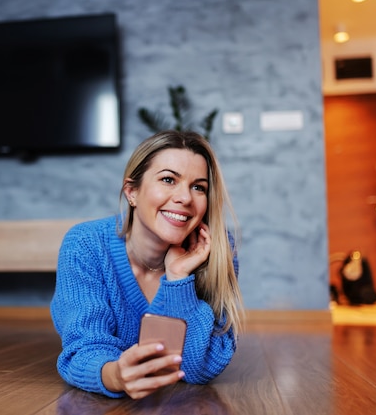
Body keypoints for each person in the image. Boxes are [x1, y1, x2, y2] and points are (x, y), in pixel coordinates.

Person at [50, 130, 243, 399]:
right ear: (132, 192)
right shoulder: (86, 244)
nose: (185, 198)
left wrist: (178, 279)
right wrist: (116, 375)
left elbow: (200, 369)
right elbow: (83, 349)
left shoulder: (217, 249)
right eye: (168, 180)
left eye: (198, 187)